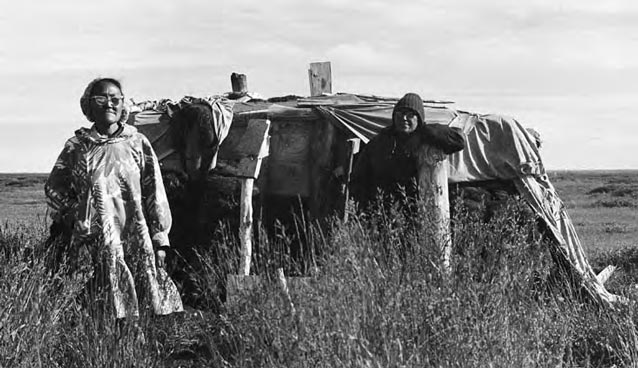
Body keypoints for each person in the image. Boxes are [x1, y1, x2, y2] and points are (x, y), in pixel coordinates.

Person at [45, 77, 183, 319]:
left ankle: (140, 349)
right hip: (92, 242)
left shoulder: (137, 143)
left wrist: (160, 238)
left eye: (115, 99)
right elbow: (54, 188)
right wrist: (76, 215)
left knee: (143, 309)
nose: (109, 103)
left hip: (134, 237)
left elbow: (155, 190)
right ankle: (100, 351)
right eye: (101, 98)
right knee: (95, 311)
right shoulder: (76, 147)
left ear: (122, 106)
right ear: (89, 105)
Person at [350, 92, 465, 208]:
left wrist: (425, 129)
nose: (404, 118)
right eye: (399, 114)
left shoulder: (425, 138)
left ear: (418, 118)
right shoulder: (382, 140)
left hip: (417, 208)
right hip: (384, 209)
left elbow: (459, 140)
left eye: (410, 115)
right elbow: (360, 174)